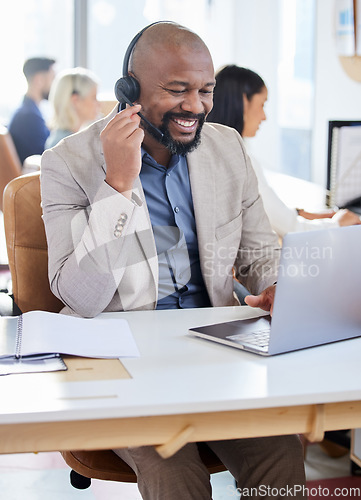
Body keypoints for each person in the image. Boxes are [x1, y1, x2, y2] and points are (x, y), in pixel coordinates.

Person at [41, 22, 306, 499]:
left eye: (205, 90)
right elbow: (81, 297)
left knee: (281, 449)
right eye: (178, 90)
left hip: (218, 350)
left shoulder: (228, 149)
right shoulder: (69, 162)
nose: (196, 106)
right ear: (130, 88)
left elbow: (260, 254)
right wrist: (119, 187)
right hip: (122, 357)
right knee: (175, 469)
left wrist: (277, 285)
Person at [207, 65, 361, 238]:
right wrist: (338, 223)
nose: (264, 116)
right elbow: (290, 230)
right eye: (262, 104)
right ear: (244, 101)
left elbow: (267, 212)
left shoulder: (210, 147)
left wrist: (304, 215)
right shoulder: (239, 158)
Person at [8, 57, 56, 164]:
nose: (55, 86)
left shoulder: (28, 111)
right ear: (39, 80)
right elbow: (46, 158)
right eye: (52, 78)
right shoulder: (29, 117)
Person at [45, 67, 100, 149]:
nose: (99, 104)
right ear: (76, 101)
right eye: (93, 98)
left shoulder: (63, 139)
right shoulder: (66, 145)